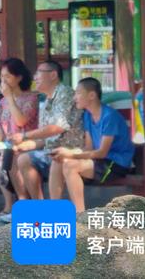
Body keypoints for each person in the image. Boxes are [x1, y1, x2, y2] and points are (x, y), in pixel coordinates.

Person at [49, 78, 135, 213]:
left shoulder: (109, 116)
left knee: (70, 165)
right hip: (99, 161)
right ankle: (54, 212)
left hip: (115, 164)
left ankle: (80, 215)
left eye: (78, 93)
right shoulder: (88, 116)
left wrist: (71, 154)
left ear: (92, 95)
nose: (74, 97)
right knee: (58, 161)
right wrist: (67, 152)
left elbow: (102, 152)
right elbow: (89, 148)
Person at [0, 58, 38, 223]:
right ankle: (8, 205)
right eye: (1, 77)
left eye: (7, 77)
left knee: (3, 162)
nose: (3, 81)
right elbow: (2, 128)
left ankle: (20, 203)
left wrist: (10, 97)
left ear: (18, 78)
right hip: (7, 145)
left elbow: (20, 122)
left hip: (26, 145)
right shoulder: (2, 101)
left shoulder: (30, 99)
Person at [10, 60, 84, 200]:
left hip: (70, 150)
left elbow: (57, 127)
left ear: (53, 75)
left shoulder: (65, 93)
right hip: (51, 151)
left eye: (39, 73)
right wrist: (23, 145)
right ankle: (40, 207)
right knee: (22, 157)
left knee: (48, 157)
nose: (35, 77)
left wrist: (24, 135)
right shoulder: (46, 101)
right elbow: (44, 140)